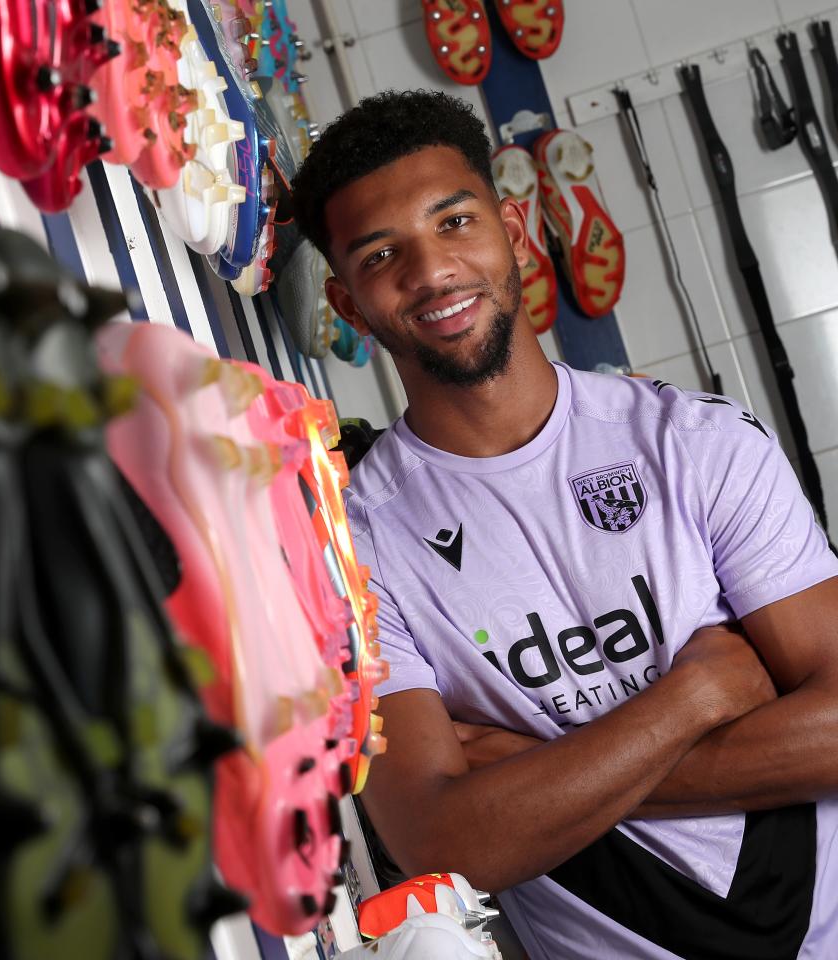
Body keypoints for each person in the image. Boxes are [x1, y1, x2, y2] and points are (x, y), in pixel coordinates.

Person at [291, 89, 838, 959]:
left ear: (514, 230)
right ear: (348, 304)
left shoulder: (698, 444)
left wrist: (531, 766)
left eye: (455, 222)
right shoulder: (354, 550)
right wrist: (694, 697)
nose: (431, 271)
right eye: (382, 253)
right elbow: (441, 843)